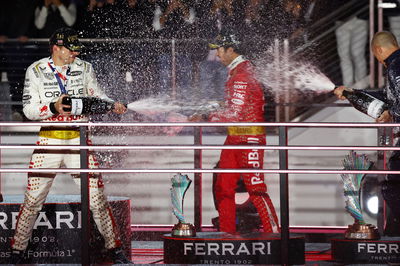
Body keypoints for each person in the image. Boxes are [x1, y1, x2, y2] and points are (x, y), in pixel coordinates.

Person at [9, 27, 130, 264]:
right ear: (57, 47)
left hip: (79, 139)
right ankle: (16, 252)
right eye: (71, 50)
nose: (75, 54)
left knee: (96, 198)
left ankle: (115, 250)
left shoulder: (85, 67)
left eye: (77, 50)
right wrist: (53, 108)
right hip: (49, 139)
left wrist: (112, 104)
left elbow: (97, 96)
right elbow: (28, 110)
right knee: (33, 199)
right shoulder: (35, 70)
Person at [190, 32, 280, 234]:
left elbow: (233, 114)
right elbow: (235, 108)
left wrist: (205, 117)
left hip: (249, 138)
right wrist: (212, 108)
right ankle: (227, 233)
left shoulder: (241, 74)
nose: (216, 56)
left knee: (255, 188)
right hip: (236, 137)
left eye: (219, 51)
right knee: (223, 186)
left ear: (231, 50)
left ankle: (274, 236)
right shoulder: (239, 71)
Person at [334, 31, 400, 236]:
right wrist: (352, 92)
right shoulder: (395, 65)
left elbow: (392, 102)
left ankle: (394, 234)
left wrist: (392, 112)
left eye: (375, 55)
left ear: (378, 49)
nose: (378, 60)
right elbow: (384, 96)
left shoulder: (396, 66)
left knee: (393, 186)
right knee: (392, 184)